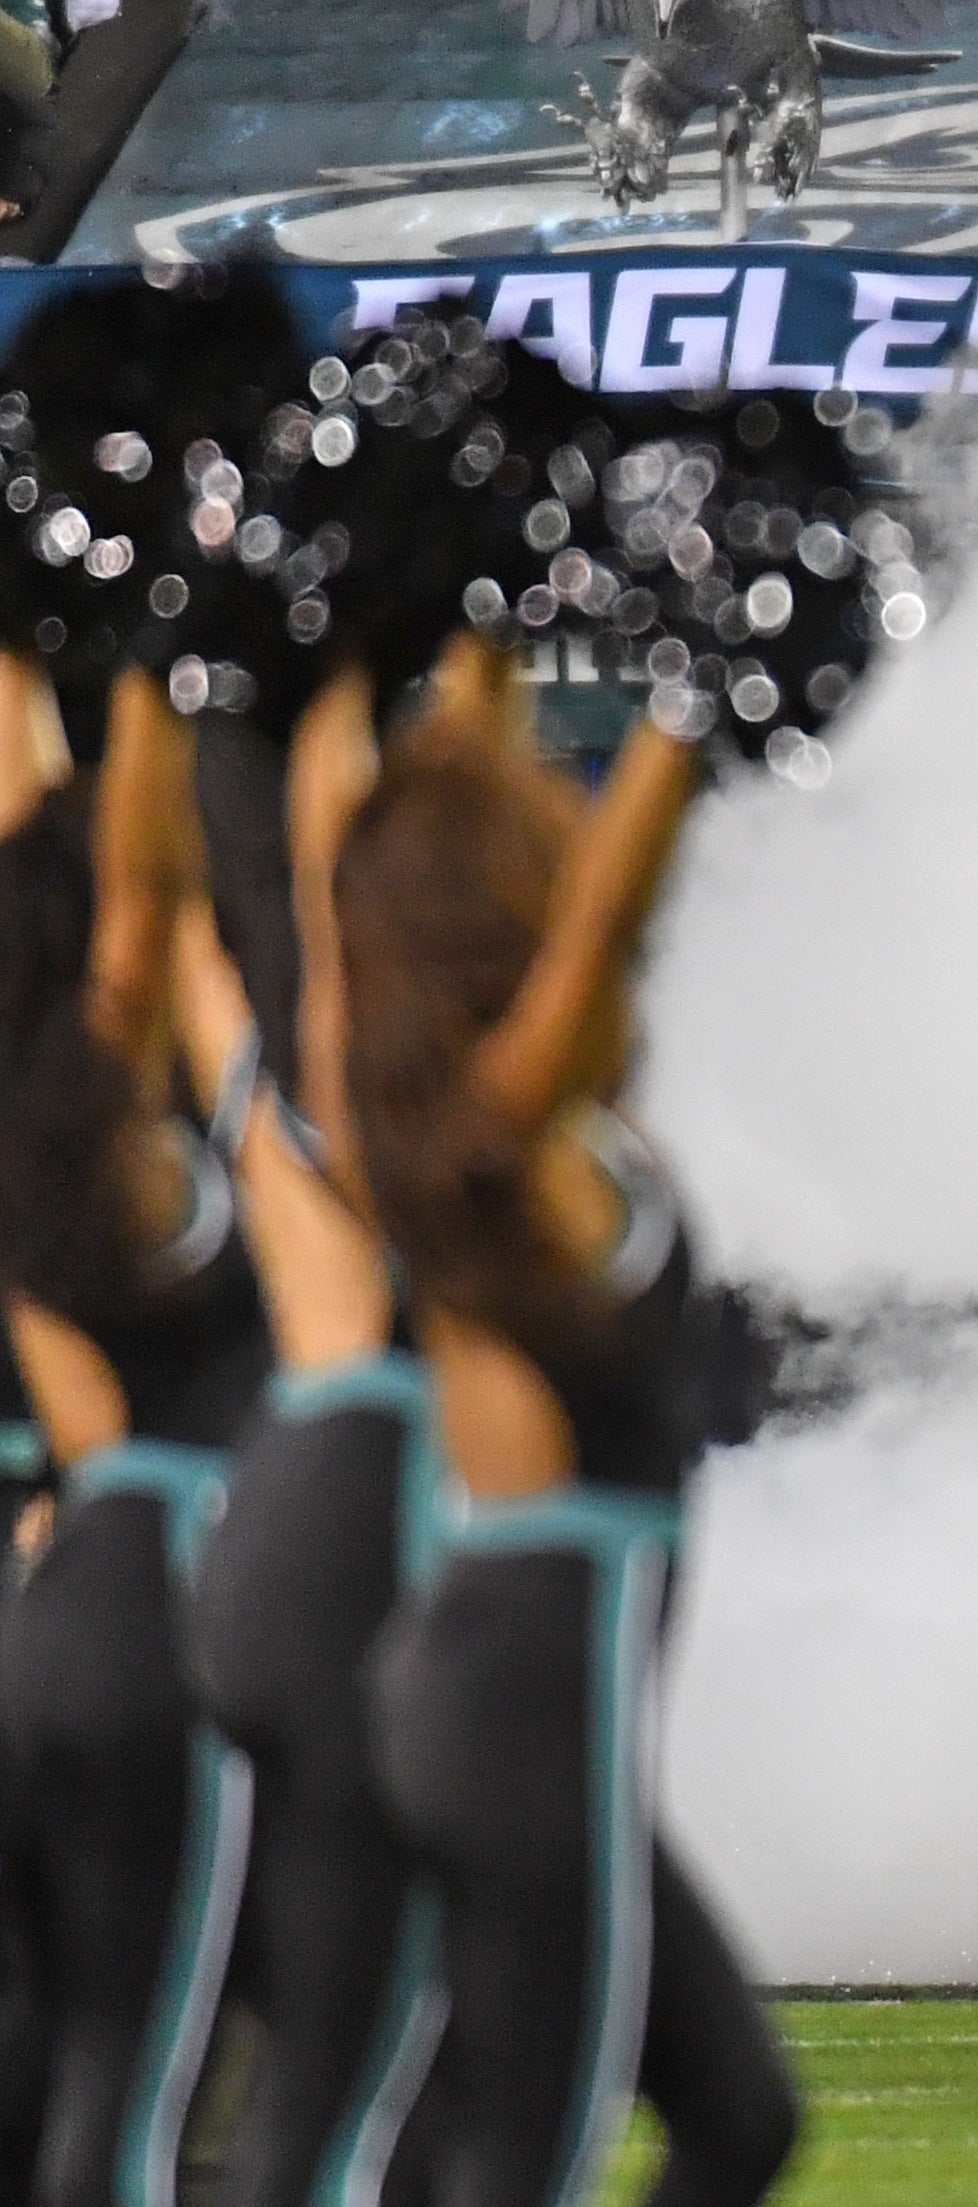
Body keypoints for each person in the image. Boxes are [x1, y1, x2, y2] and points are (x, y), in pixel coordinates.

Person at [334, 641, 799, 2207]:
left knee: (737, 2120)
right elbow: (607, 921)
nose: (560, 794)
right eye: (541, 796)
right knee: (522, 2159)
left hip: (490, 1691)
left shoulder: (438, 1101)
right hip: (530, 1693)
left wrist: (464, 633)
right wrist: (702, 686)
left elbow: (437, 826)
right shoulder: (498, 1116)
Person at [0, 661, 276, 2207]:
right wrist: (152, 643)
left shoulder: (34, 1117)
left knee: (49, 2058)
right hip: (136, 1600)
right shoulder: (99, 1130)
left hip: (52, 1590)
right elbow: (143, 894)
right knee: (145, 2078)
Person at [174, 656, 447, 2207]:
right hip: (357, 1563)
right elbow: (313, 934)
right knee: (349, 2106)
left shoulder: (237, 1092)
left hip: (249, 1553)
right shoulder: (395, 1112)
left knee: (201, 2071)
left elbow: (189, 930)